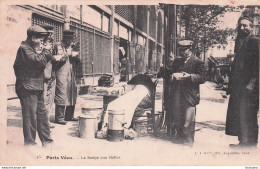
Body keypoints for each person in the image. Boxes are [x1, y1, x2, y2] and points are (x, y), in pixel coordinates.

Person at [158, 40, 206, 146]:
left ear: (190, 49)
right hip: (177, 94)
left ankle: (189, 140)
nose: (182, 52)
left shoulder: (198, 62)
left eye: (184, 50)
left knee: (189, 118)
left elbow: (202, 78)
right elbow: (169, 73)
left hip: (190, 95)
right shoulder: (177, 61)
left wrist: (189, 76)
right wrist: (168, 71)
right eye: (181, 50)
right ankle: (180, 138)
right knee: (178, 116)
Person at [13, 25, 53, 146]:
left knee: (42, 116)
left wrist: (45, 52)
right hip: (27, 87)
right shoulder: (24, 48)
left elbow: (42, 60)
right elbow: (38, 62)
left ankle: (47, 141)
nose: (42, 43)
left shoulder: (31, 48)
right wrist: (46, 51)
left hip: (36, 86)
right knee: (30, 118)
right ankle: (30, 144)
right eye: (41, 41)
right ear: (33, 38)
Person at [225, 15, 259, 148]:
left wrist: (252, 82)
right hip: (239, 86)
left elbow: (258, 64)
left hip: (250, 86)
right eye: (240, 25)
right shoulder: (241, 42)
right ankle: (243, 141)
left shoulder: (255, 41)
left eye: (245, 25)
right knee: (240, 113)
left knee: (248, 113)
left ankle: (250, 143)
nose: (242, 27)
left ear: (251, 28)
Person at [54, 30, 80, 125]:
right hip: (62, 72)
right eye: (68, 38)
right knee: (62, 92)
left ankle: (69, 116)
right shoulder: (58, 45)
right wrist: (67, 54)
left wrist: (76, 57)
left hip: (71, 72)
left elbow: (77, 61)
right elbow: (56, 59)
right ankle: (59, 118)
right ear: (64, 38)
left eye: (72, 38)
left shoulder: (72, 46)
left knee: (72, 93)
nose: (70, 41)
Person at [41, 24, 56, 129]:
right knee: (43, 101)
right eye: (49, 33)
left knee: (49, 100)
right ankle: (42, 123)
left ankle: (46, 121)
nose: (51, 36)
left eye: (52, 34)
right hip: (43, 77)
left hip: (51, 75)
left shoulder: (50, 44)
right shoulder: (39, 44)